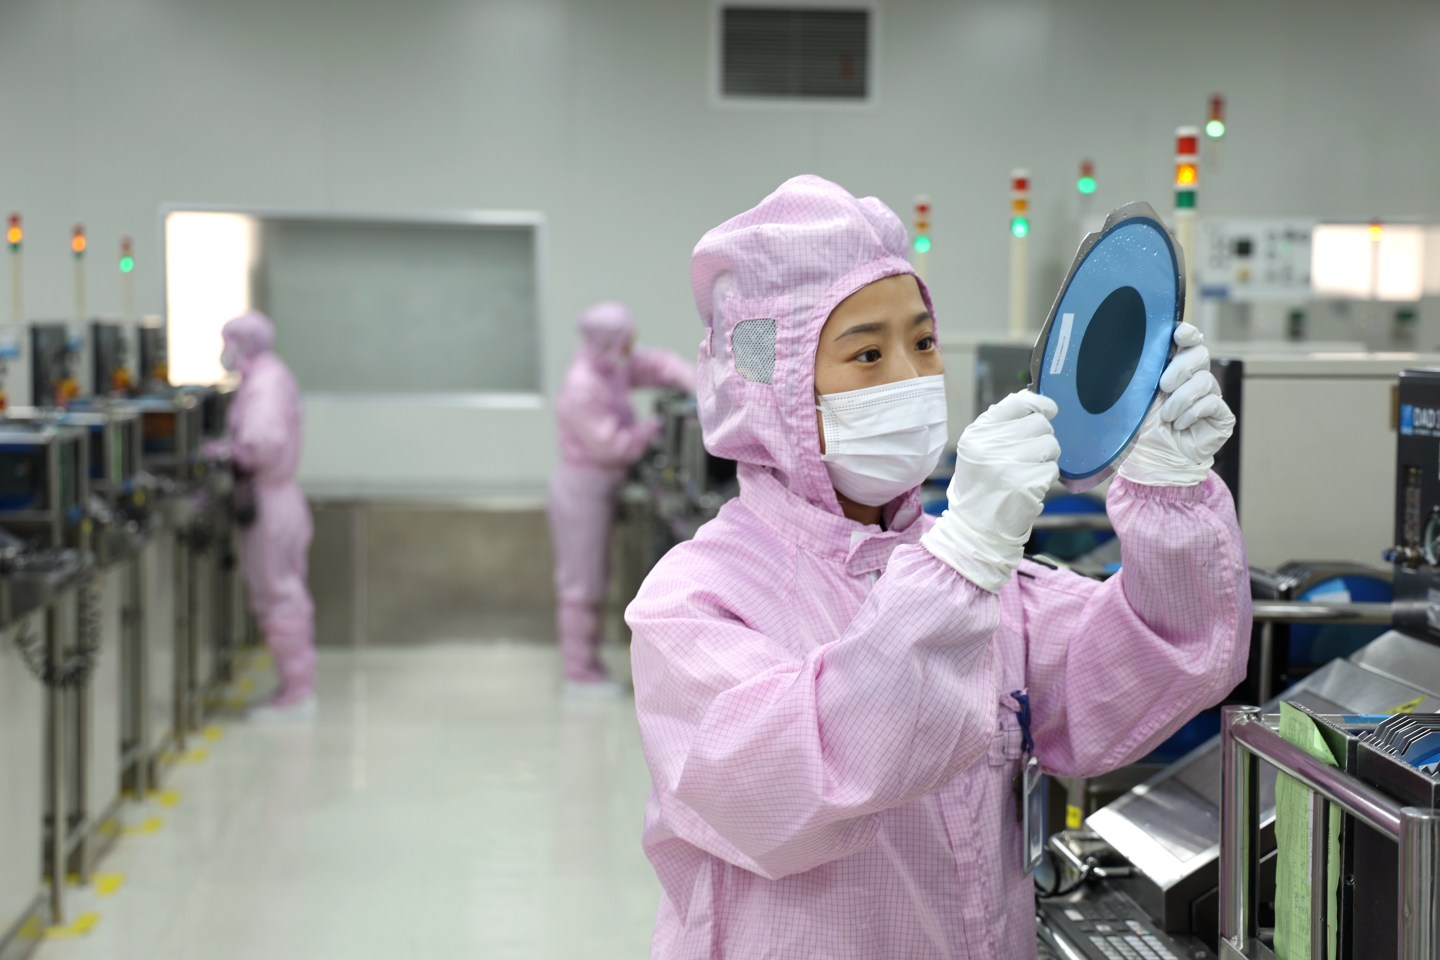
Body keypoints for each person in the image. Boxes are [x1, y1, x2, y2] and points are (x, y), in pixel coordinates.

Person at [626, 175, 1250, 958]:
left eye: (921, 343)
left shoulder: (980, 581)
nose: (909, 376)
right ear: (775, 387)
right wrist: (962, 563)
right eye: (865, 352)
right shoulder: (700, 600)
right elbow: (788, 789)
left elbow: (1163, 657)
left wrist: (1169, 494)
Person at [549, 301, 695, 696]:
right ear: (610, 340)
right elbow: (610, 447)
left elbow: (656, 365)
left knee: (595, 576)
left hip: (601, 486)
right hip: (583, 488)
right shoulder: (584, 385)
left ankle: (587, 664)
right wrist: (652, 428)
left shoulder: (608, 365)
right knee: (583, 582)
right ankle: (578, 673)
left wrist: (699, 384)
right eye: (627, 340)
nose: (633, 347)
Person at [211, 311, 317, 722]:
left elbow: (262, 442)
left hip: (270, 503)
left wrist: (228, 452)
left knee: (278, 596)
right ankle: (296, 685)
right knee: (284, 593)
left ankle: (297, 692)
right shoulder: (267, 376)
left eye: (228, 342)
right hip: (279, 500)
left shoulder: (265, 383)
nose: (225, 351)